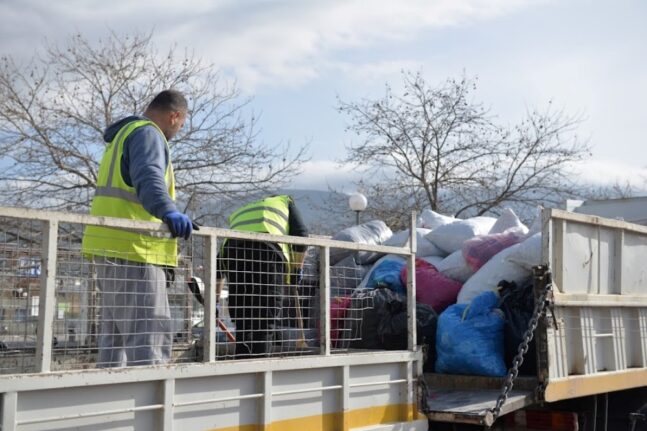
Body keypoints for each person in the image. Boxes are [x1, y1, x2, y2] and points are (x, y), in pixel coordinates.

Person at [82, 89, 196, 367]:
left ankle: (111, 403)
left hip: (111, 249)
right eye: (181, 124)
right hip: (136, 251)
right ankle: (150, 408)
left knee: (116, 344)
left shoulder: (123, 135)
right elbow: (149, 178)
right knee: (149, 341)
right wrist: (169, 211)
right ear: (174, 116)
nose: (178, 130)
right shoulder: (148, 134)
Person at [220, 194, 308, 357]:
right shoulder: (285, 201)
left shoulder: (243, 211)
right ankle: (260, 376)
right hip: (266, 254)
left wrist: (214, 300)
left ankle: (240, 372)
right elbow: (301, 235)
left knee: (244, 324)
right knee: (264, 323)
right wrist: (296, 269)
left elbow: (219, 264)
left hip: (233, 256)